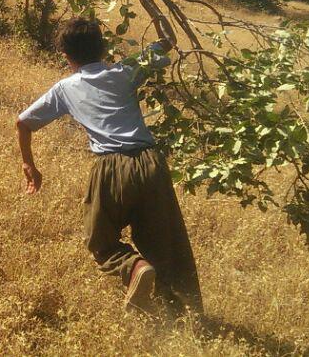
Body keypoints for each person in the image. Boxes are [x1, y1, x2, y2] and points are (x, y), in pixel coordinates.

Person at [15, 17, 202, 315]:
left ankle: (134, 267)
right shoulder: (126, 71)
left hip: (111, 167)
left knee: (101, 242)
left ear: (66, 56)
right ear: (103, 49)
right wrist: (150, 0)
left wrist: (30, 165)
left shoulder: (65, 88)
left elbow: (23, 123)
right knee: (168, 246)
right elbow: (168, 39)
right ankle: (185, 315)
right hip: (151, 162)